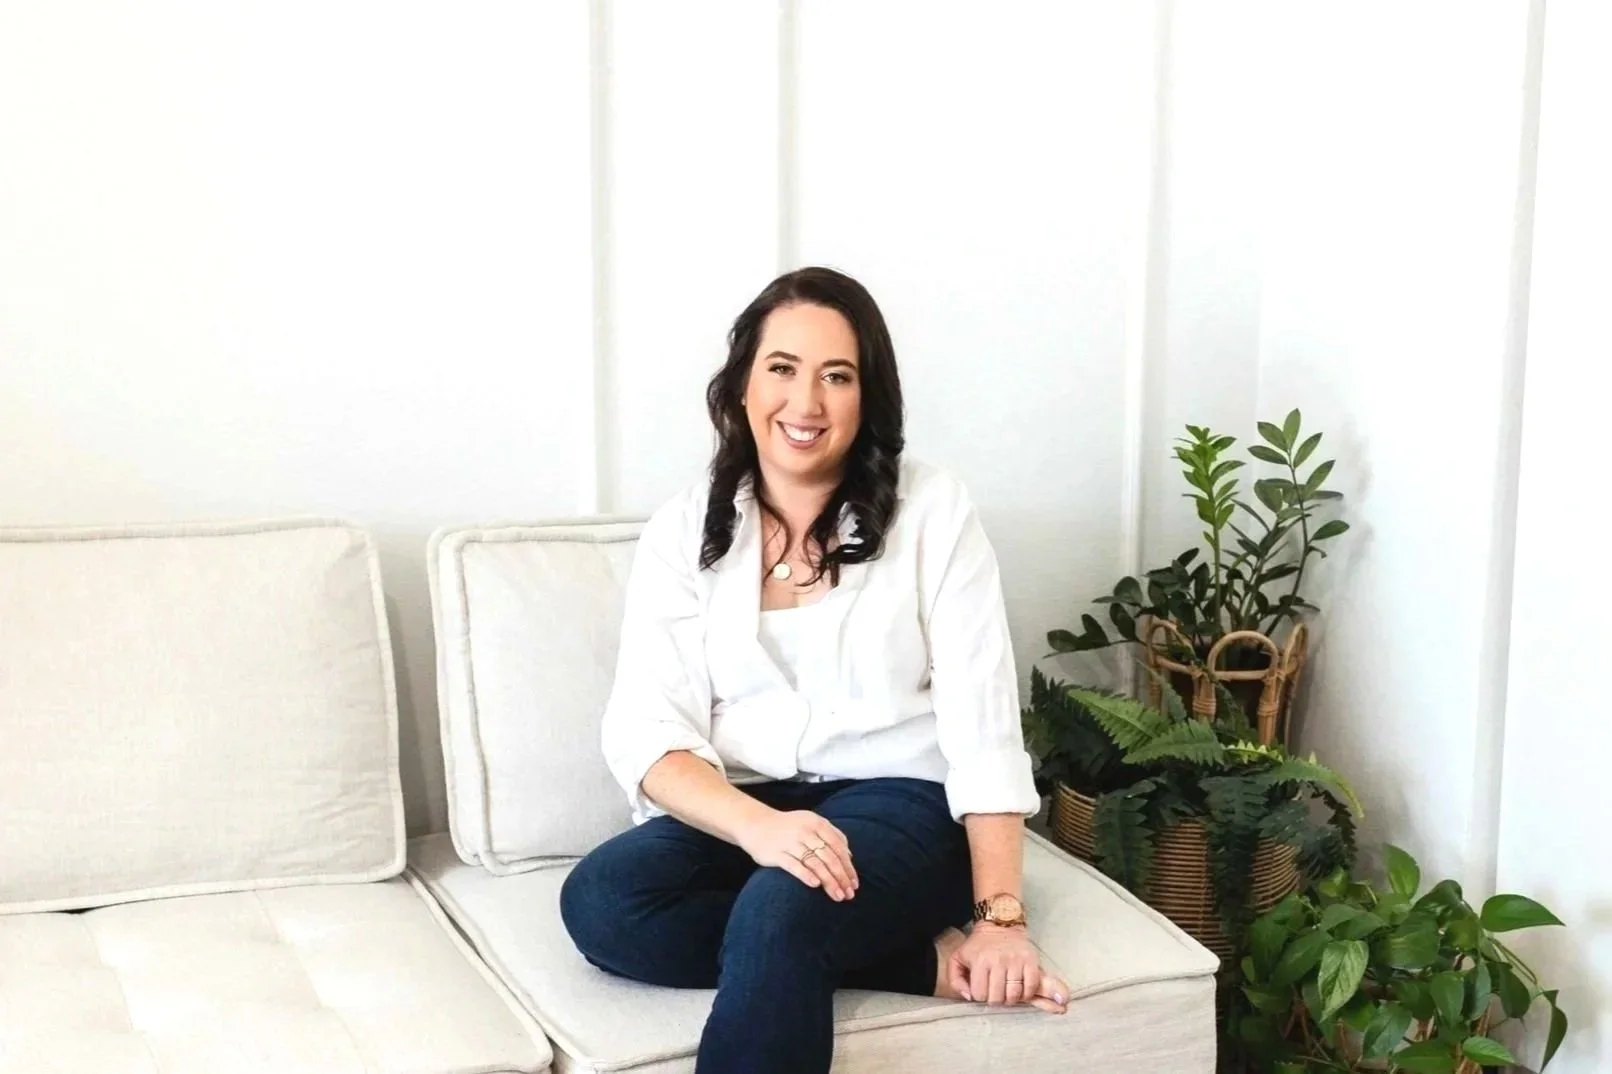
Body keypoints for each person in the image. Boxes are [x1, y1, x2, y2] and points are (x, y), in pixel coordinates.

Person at [560, 266, 1068, 1074]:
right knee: (603, 901)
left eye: (837, 376)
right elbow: (648, 730)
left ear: (868, 397)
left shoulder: (935, 513)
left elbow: (984, 725)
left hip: (903, 809)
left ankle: (805, 932)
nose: (806, 403)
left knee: (783, 903)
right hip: (753, 806)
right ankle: (914, 967)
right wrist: (759, 827)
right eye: (782, 369)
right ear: (740, 386)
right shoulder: (683, 529)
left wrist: (1000, 917)